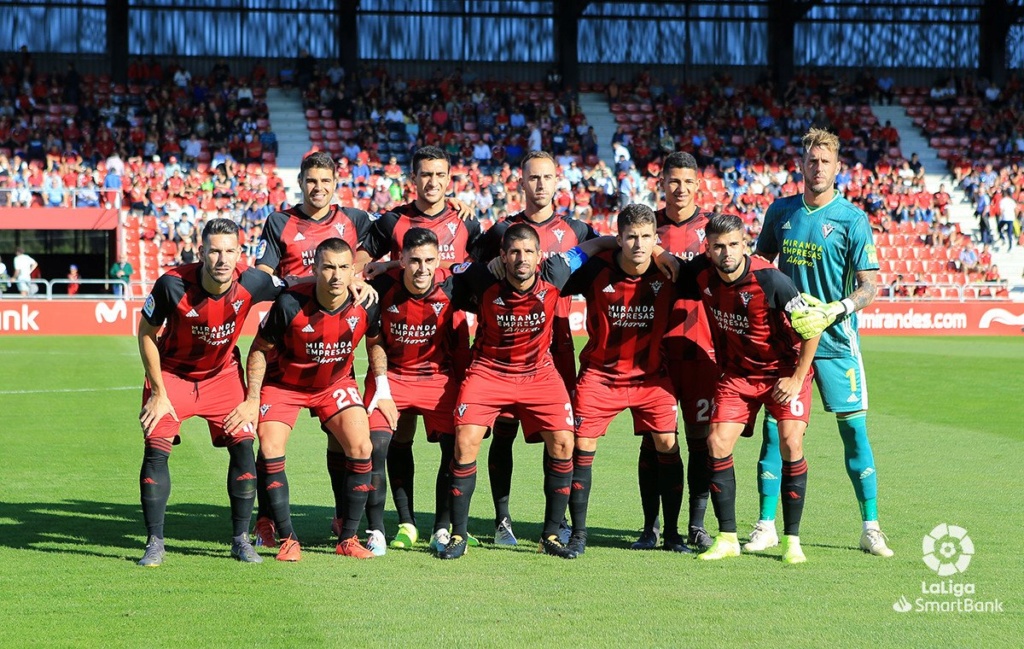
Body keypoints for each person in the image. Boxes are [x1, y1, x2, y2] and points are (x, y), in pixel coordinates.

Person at [755, 128, 894, 557]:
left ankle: (870, 527)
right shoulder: (780, 212)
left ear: (838, 168)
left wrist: (836, 310)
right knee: (777, 434)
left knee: (854, 433)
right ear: (801, 164)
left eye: (825, 161)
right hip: (788, 345)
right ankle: (765, 524)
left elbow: (869, 286)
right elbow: (760, 267)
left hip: (836, 343)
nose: (817, 168)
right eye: (811, 160)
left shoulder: (852, 219)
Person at [438, 223, 606, 560]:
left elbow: (591, 248)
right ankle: (458, 535)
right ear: (502, 256)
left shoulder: (555, 271)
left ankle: (551, 535)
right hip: (489, 370)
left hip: (538, 373)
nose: (521, 258)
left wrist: (617, 240)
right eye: (514, 252)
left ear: (539, 255)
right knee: (465, 440)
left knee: (563, 442)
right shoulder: (482, 277)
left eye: (528, 251)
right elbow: (444, 269)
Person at [135, 218, 286, 567]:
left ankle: (239, 540)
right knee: (156, 450)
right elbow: (145, 332)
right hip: (172, 377)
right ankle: (155, 542)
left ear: (239, 253)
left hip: (222, 377)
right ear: (201, 251)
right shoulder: (172, 284)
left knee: (244, 447)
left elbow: (298, 285)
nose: (222, 259)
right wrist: (158, 392)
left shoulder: (254, 282)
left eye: (229, 251)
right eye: (214, 251)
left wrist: (354, 280)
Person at [673, 213, 819, 564]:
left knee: (790, 442)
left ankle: (792, 541)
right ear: (708, 249)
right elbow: (666, 262)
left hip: (784, 373)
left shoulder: (773, 281)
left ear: (745, 245)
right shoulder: (703, 274)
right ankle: (726, 538)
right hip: (739, 375)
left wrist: (797, 378)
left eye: (733, 245)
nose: (726, 252)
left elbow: (811, 328)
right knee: (716, 442)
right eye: (718, 246)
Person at [251, 151, 377, 547]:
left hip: (335, 354)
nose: (318, 188)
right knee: (269, 441)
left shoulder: (356, 220)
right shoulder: (279, 221)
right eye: (311, 181)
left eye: (325, 181)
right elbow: (264, 275)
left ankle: (344, 521)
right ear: (301, 184)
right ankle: (267, 518)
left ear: (335, 183)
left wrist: (358, 273)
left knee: (345, 441)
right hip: (292, 338)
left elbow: (390, 248)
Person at [472, 151, 597, 545]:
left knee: (557, 436)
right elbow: (469, 270)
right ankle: (502, 518)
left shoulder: (579, 230)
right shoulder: (500, 232)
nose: (540, 184)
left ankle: (555, 524)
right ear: (521, 183)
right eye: (533, 178)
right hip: (505, 350)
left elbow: (603, 258)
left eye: (547, 177)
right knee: (503, 434)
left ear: (557, 182)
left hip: (556, 349)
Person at [238, 238, 385, 561]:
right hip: (285, 385)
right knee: (271, 447)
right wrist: (252, 398)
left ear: (353, 271)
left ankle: (348, 537)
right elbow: (259, 349)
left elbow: (375, 343)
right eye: (328, 267)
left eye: (343, 268)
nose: (336, 276)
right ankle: (288, 536)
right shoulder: (290, 304)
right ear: (315, 269)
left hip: (334, 384)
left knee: (362, 447)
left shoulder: (366, 304)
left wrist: (382, 389)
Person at [558, 205, 684, 557]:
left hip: (652, 378)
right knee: (580, 450)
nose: (639, 244)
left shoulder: (669, 272)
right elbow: (553, 270)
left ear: (655, 239)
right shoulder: (597, 270)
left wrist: (664, 253)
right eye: (631, 237)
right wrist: (597, 245)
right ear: (620, 238)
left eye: (647, 237)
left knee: (667, 444)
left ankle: (672, 534)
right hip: (601, 377)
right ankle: (578, 534)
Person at [365, 228, 464, 553]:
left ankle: (441, 528)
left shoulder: (453, 284)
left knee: (455, 450)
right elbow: (374, 338)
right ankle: (386, 528)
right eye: (415, 261)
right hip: (391, 376)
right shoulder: (381, 286)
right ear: (402, 260)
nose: (422, 268)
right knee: (378, 446)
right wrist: (382, 387)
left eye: (429, 261)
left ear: (439, 260)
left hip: (438, 379)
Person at [637, 151, 717, 552]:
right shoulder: (646, 229)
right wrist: (653, 249)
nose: (680, 189)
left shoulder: (713, 228)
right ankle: (650, 527)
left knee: (701, 440)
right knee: (655, 441)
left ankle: (697, 525)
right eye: (673, 181)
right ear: (662, 184)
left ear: (698, 185)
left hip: (703, 353)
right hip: (658, 355)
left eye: (688, 182)